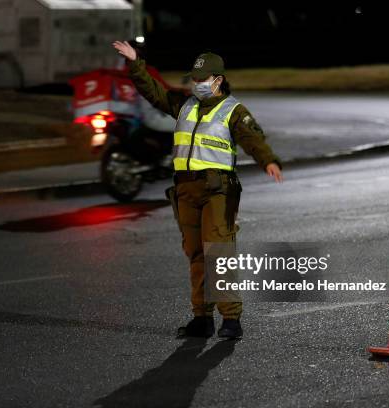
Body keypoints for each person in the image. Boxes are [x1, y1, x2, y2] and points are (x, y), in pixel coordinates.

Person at [112, 41, 283, 339]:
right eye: (194, 79)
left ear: (218, 80)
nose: (197, 84)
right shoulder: (184, 105)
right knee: (196, 255)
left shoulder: (233, 110)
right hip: (186, 189)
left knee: (219, 252)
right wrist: (135, 62)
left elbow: (252, 139)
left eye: (202, 80)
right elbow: (153, 93)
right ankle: (201, 319)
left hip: (219, 189)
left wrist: (267, 160)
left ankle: (231, 319)